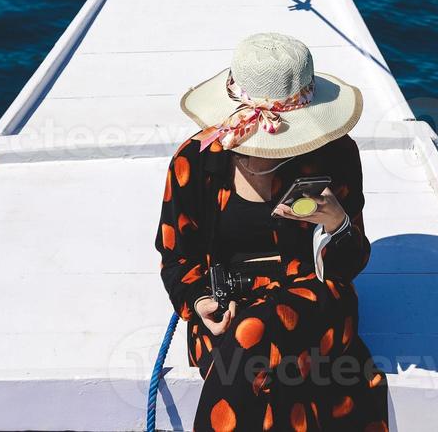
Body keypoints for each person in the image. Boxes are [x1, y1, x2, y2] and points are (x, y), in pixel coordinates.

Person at [156, 32, 391, 431]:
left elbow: (348, 266)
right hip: (226, 299)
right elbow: (176, 257)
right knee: (252, 354)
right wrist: (198, 301)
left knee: (248, 344)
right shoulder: (196, 162)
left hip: (314, 294)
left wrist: (338, 224)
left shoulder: (336, 155)